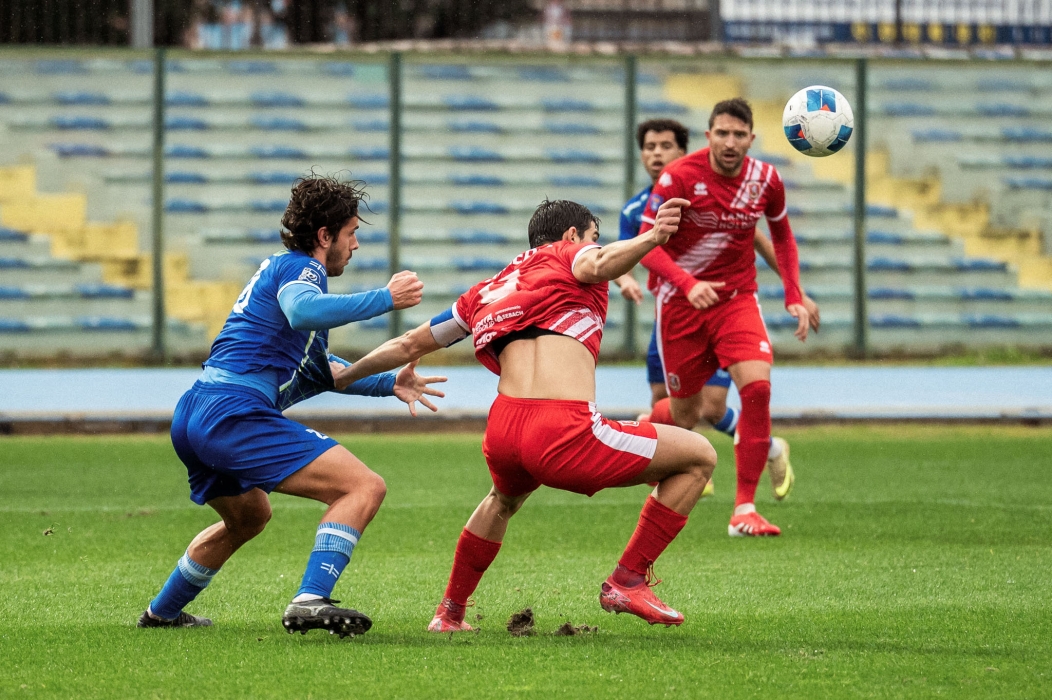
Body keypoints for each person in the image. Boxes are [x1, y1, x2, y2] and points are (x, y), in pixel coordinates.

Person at [332, 198, 718, 631]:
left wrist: (346, 376)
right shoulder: (570, 254)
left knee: (502, 501)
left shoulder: (488, 289)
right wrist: (653, 237)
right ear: (572, 236)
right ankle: (627, 580)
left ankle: (450, 613)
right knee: (699, 456)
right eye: (593, 237)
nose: (596, 245)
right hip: (562, 429)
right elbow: (600, 263)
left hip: (504, 429)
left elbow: (408, 344)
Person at [137, 175, 446, 636]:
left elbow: (324, 371)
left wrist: (389, 383)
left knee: (249, 517)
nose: (355, 245)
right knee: (362, 487)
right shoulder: (304, 271)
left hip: (195, 411)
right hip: (233, 413)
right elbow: (304, 311)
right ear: (324, 236)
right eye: (351, 233)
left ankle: (161, 613)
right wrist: (386, 299)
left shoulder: (280, 273)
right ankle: (309, 599)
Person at [636, 98, 815, 537]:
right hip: (681, 306)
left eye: (739, 135)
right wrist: (687, 284)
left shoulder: (766, 179)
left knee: (757, 388)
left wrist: (794, 294)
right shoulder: (679, 177)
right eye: (722, 133)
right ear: (708, 136)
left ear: (751, 139)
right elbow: (646, 243)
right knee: (687, 415)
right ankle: (643, 426)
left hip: (737, 300)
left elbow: (782, 237)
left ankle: (744, 510)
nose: (730, 142)